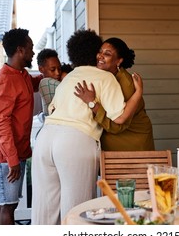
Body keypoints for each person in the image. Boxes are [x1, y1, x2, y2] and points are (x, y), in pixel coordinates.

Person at [31, 29, 143, 225]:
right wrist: (137, 94)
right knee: (77, 210)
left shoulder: (68, 78)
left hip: (44, 139)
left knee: (45, 211)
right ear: (94, 53)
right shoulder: (105, 78)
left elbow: (53, 108)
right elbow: (118, 119)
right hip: (74, 140)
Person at [0, 28, 42, 225]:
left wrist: (54, 74)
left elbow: (33, 84)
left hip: (16, 153)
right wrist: (12, 160)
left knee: (5, 204)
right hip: (4, 156)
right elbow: (0, 125)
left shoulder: (21, 74)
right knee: (7, 206)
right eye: (30, 48)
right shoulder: (4, 81)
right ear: (20, 50)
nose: (33, 52)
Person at [74, 37, 155, 151]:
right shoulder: (101, 75)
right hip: (111, 136)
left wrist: (92, 104)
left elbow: (117, 124)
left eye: (107, 54)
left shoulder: (126, 85)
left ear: (119, 61)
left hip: (132, 139)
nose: (100, 56)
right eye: (100, 51)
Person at [37, 48, 62, 117]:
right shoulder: (45, 82)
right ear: (41, 69)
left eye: (59, 69)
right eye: (52, 69)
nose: (57, 73)